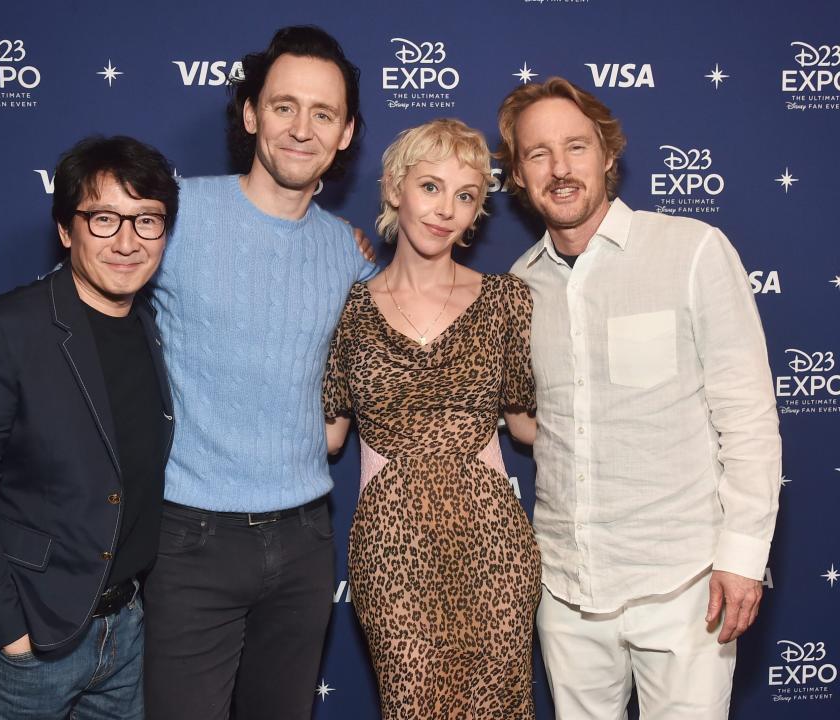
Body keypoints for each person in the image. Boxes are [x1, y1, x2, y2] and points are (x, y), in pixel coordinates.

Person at [0, 26, 376, 720]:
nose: (301, 128)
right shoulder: (174, 214)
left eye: (323, 113)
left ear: (345, 134)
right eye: (284, 106)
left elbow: (406, 342)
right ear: (251, 114)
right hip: (188, 541)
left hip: (305, 540)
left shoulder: (346, 251)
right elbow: (62, 319)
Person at [497, 77, 781, 718]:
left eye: (576, 147)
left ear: (607, 156)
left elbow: (748, 418)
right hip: (566, 592)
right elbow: (540, 423)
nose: (560, 168)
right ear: (517, 172)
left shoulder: (690, 252)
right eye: (538, 153)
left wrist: (741, 558)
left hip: (685, 589)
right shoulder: (518, 287)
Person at [0, 135, 178, 719]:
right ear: (66, 229)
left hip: (127, 634)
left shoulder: (153, 325)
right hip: (31, 641)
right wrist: (4, 632)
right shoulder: (1, 330)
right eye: (104, 218)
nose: (126, 241)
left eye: (147, 221)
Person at [323, 118, 539, 718]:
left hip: (496, 541)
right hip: (390, 550)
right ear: (395, 188)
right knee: (411, 704)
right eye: (431, 187)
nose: (446, 209)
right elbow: (330, 435)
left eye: (466, 196)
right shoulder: (349, 307)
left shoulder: (506, 301)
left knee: (500, 704)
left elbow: (525, 424)